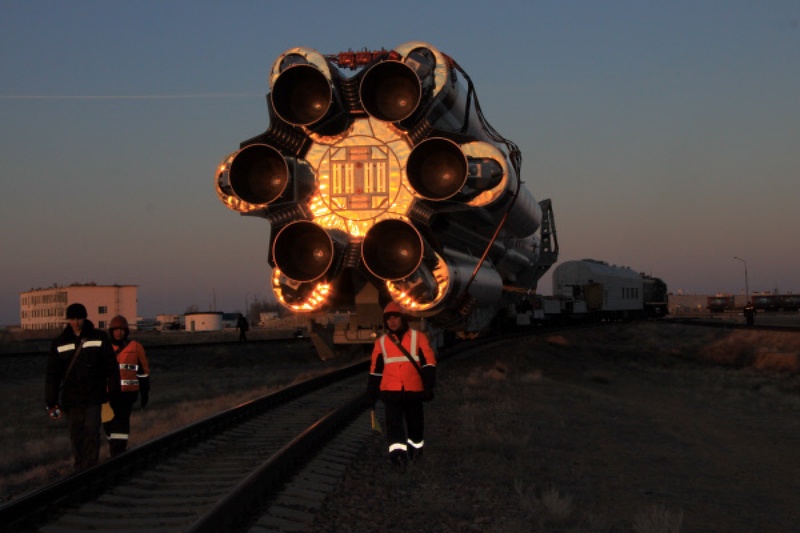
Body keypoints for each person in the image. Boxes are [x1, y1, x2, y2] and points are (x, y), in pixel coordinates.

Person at [45, 303, 121, 471]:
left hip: (94, 395)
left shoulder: (99, 338)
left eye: (79, 318)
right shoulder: (59, 342)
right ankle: (80, 466)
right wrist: (51, 401)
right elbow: (53, 374)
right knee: (76, 433)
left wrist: (114, 390)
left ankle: (90, 466)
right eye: (72, 319)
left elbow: (111, 366)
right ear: (68, 320)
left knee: (92, 431)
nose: (76, 322)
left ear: (85, 318)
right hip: (71, 398)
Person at [367, 302, 437, 469]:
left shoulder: (418, 337)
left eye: (395, 317)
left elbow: (429, 364)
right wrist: (371, 394)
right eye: (388, 319)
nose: (392, 322)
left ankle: (416, 455)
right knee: (394, 428)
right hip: (391, 393)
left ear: (403, 319)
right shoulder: (381, 342)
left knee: (416, 427)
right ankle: (398, 460)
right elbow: (375, 371)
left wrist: (428, 387)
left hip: (414, 391)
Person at [104, 315, 151, 456]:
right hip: (106, 395)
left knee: (121, 423)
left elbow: (143, 372)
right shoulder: (104, 348)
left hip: (127, 394)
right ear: (111, 331)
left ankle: (118, 452)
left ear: (126, 331)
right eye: (116, 329)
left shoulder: (136, 347)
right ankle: (114, 447)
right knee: (107, 423)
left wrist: (144, 393)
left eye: (122, 330)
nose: (119, 332)